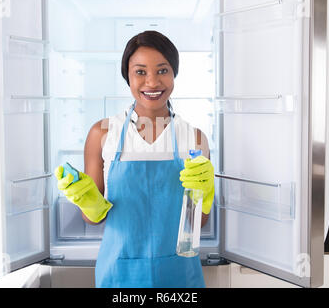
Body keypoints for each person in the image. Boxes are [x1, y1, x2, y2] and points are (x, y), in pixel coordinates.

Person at [55, 30, 215, 288]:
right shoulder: (103, 134)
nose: (152, 82)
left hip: (179, 273)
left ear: (174, 74)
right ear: (127, 77)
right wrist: (87, 200)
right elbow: (93, 220)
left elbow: (198, 223)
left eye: (162, 70)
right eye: (140, 72)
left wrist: (205, 196)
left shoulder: (194, 139)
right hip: (119, 274)